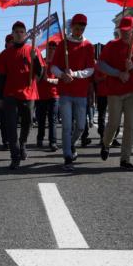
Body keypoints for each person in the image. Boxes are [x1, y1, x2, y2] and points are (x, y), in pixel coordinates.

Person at [98, 16, 133, 169]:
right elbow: (101, 64)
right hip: (115, 91)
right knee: (113, 123)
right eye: (121, 30)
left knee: (130, 125)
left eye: (127, 31)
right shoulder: (111, 45)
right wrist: (118, 73)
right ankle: (106, 143)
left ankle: (125, 159)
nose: (124, 33)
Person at [51, 14, 96, 171]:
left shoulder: (88, 46)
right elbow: (53, 67)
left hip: (81, 93)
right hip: (65, 93)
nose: (79, 31)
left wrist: (75, 74)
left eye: (82, 28)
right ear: (72, 27)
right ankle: (67, 157)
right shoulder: (63, 44)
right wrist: (62, 75)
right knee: (67, 126)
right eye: (77, 28)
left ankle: (71, 144)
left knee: (81, 126)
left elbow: (90, 70)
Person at [0, 21, 43, 170]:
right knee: (11, 126)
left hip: (29, 93)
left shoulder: (33, 50)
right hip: (10, 94)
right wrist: (0, 97)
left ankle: (23, 143)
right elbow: (1, 77)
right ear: (13, 34)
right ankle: (14, 156)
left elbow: (40, 74)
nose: (19, 34)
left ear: (26, 34)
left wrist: (35, 59)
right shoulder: (4, 55)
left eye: (22, 31)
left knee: (27, 123)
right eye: (16, 31)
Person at [36, 40, 60, 153]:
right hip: (41, 95)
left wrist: (49, 80)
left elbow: (60, 81)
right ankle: (40, 138)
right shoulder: (42, 62)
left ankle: (53, 142)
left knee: (52, 119)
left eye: (54, 49)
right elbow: (35, 78)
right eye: (49, 48)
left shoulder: (58, 64)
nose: (51, 50)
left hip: (54, 95)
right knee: (41, 119)